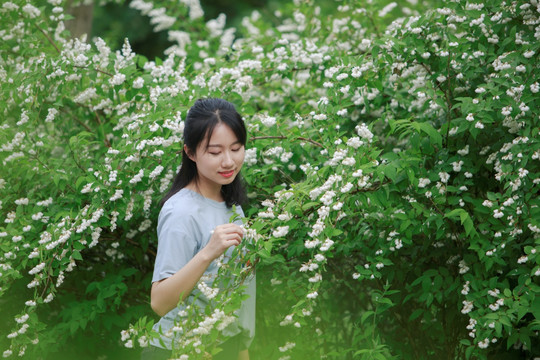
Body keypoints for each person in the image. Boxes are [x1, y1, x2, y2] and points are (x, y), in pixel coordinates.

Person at [142, 98, 255, 360]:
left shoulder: (233, 207)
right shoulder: (180, 212)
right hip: (178, 350)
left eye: (236, 148)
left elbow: (238, 291)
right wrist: (207, 253)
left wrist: (241, 349)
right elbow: (159, 302)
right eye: (215, 152)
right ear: (190, 153)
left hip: (224, 346)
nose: (228, 161)